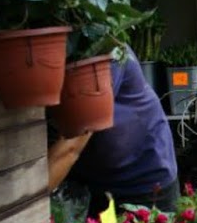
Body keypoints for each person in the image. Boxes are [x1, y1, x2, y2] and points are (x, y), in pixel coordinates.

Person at [47, 47, 179, 213]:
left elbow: (71, 145)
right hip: (103, 186)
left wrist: (28, 202)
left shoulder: (108, 54)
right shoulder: (74, 52)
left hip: (146, 184)